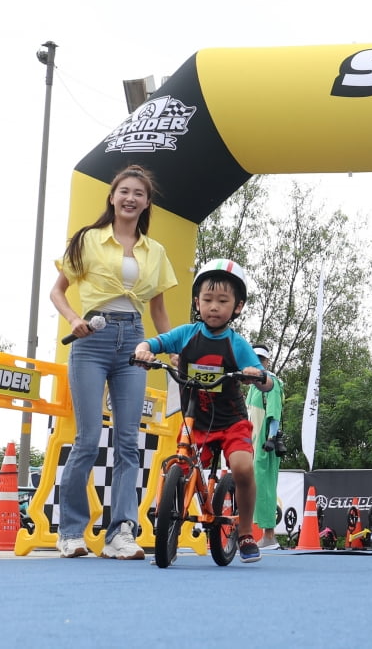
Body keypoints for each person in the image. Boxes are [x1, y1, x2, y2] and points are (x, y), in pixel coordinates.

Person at [49, 164, 177, 560]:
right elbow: (57, 292)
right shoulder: (87, 240)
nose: (130, 198)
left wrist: (171, 351)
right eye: (124, 191)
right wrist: (74, 320)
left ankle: (121, 531)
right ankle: (70, 531)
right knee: (88, 439)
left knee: (127, 441)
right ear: (112, 196)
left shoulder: (155, 252)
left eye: (138, 193)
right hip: (91, 338)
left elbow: (158, 309)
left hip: (134, 341)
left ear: (147, 202)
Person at [132, 258, 272, 563]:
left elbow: (265, 379)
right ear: (197, 302)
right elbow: (154, 341)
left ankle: (246, 531)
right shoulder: (185, 335)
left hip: (231, 421)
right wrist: (143, 349)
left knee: (243, 469)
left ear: (237, 307)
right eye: (207, 299)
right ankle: (167, 516)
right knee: (179, 468)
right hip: (195, 419)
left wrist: (258, 376)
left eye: (223, 301)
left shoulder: (237, 344)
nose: (214, 307)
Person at [246, 343, 286, 549]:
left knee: (266, 487)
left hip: (265, 445)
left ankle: (269, 535)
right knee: (255, 488)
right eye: (255, 359)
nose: (258, 363)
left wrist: (271, 438)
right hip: (252, 445)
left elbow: (274, 412)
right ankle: (260, 535)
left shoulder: (272, 382)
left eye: (261, 359)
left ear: (268, 361)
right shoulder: (252, 386)